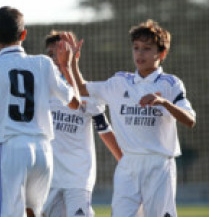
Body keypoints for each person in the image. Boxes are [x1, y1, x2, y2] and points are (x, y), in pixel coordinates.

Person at [0, 6, 81, 217]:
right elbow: (75, 103)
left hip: (11, 148)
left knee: (4, 213)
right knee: (33, 213)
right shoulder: (43, 62)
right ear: (24, 34)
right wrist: (67, 67)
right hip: (43, 151)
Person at [72, 19, 196, 216]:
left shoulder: (171, 84)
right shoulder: (120, 81)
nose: (140, 53)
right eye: (136, 48)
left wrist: (164, 103)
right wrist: (72, 65)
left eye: (147, 48)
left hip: (159, 164)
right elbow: (82, 88)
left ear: (161, 53)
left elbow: (190, 119)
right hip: (128, 164)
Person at [42, 31, 123, 217]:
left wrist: (126, 162)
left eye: (62, 51)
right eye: (51, 54)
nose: (56, 58)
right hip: (50, 178)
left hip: (78, 177)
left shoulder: (87, 92)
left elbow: (104, 129)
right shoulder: (43, 89)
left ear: (75, 54)